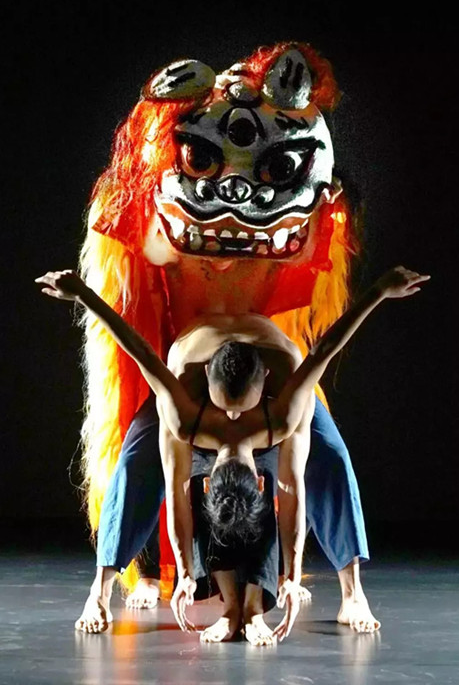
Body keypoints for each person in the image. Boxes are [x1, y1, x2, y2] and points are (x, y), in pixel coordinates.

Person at [36, 265, 429, 642]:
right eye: (225, 409)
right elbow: (177, 491)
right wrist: (186, 572)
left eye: (241, 410)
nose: (234, 416)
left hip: (256, 395)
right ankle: (100, 591)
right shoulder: (183, 405)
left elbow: (292, 490)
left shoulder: (287, 396)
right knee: (134, 464)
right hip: (194, 391)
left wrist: (292, 575)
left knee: (332, 459)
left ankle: (352, 593)